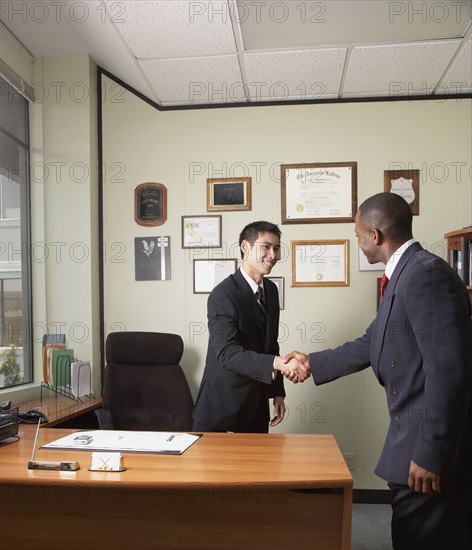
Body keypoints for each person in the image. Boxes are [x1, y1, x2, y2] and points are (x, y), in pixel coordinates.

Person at [286, 192, 472, 550]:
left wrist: (431, 453)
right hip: (410, 438)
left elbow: (449, 372)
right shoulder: (404, 274)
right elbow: (371, 342)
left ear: (375, 235)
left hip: (424, 449)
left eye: (357, 235)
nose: (358, 242)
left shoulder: (424, 275)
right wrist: (311, 362)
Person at [192, 220, 310, 433]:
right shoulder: (223, 295)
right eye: (265, 246)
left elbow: (270, 345)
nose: (272, 255)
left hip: (256, 406)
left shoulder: (272, 291)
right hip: (221, 407)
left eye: (276, 248)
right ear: (245, 247)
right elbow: (227, 353)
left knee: (260, 466)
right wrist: (280, 364)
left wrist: (277, 393)